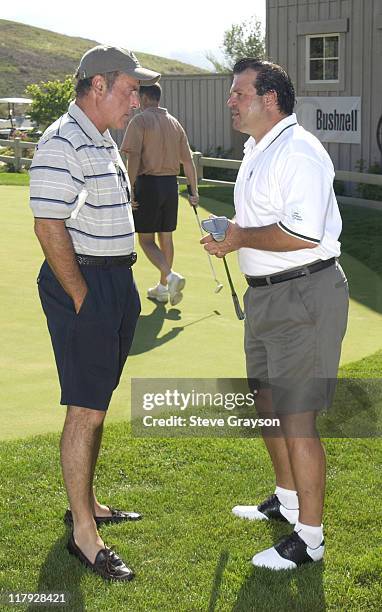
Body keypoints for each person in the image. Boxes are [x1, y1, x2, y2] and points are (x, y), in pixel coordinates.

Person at [201, 58, 349, 570]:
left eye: (239, 93)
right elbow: (263, 218)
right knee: (266, 402)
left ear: (270, 99)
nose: (231, 101)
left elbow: (304, 234)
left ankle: (309, 538)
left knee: (297, 417)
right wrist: (232, 232)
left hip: (304, 296)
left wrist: (240, 237)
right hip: (267, 295)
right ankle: (287, 503)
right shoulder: (256, 148)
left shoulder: (300, 151)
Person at [30, 45, 160, 581]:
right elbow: (48, 225)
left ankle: (89, 504)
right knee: (85, 409)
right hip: (85, 283)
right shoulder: (61, 139)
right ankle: (85, 534)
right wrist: (83, 296)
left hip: (115, 279)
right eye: (131, 90)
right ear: (99, 85)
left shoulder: (101, 135)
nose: (137, 101)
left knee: (97, 401)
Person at [121, 83, 199, 306]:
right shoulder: (174, 123)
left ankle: (171, 276)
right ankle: (164, 288)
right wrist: (194, 192)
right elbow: (188, 161)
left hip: (149, 185)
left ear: (144, 98)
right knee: (166, 237)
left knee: (146, 240)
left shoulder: (139, 121)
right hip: (170, 187)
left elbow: (133, 158)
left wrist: (130, 189)